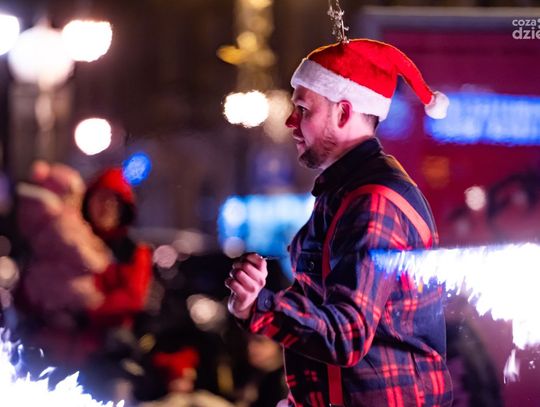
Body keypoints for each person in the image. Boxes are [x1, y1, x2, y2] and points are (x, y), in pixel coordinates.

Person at [226, 39, 453, 406]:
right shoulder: (346, 192)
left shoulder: (372, 201)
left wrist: (259, 305)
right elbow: (327, 311)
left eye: (303, 109)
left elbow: (346, 334)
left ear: (343, 113)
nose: (290, 121)